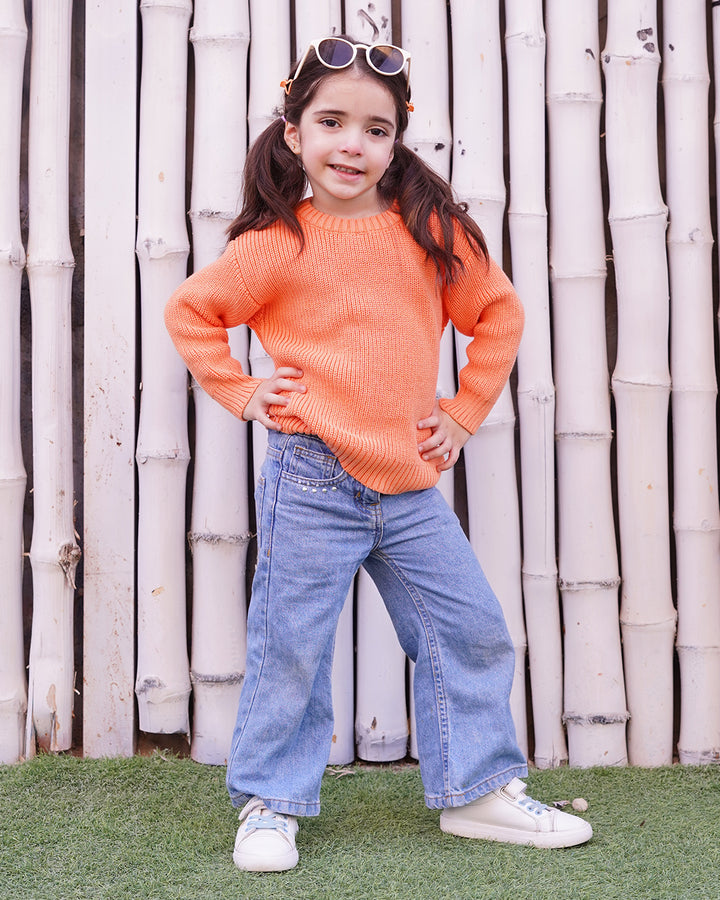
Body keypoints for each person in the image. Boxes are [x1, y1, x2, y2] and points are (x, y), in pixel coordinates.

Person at [165, 35, 592, 872]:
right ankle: (270, 803)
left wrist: (466, 413)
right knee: (291, 644)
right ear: (294, 134)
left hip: (408, 485)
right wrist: (245, 392)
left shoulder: (429, 231)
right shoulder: (276, 244)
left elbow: (497, 315)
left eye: (375, 129)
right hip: (310, 477)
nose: (351, 145)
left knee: (468, 628)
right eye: (331, 122)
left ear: (398, 141)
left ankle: (477, 793)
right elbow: (192, 313)